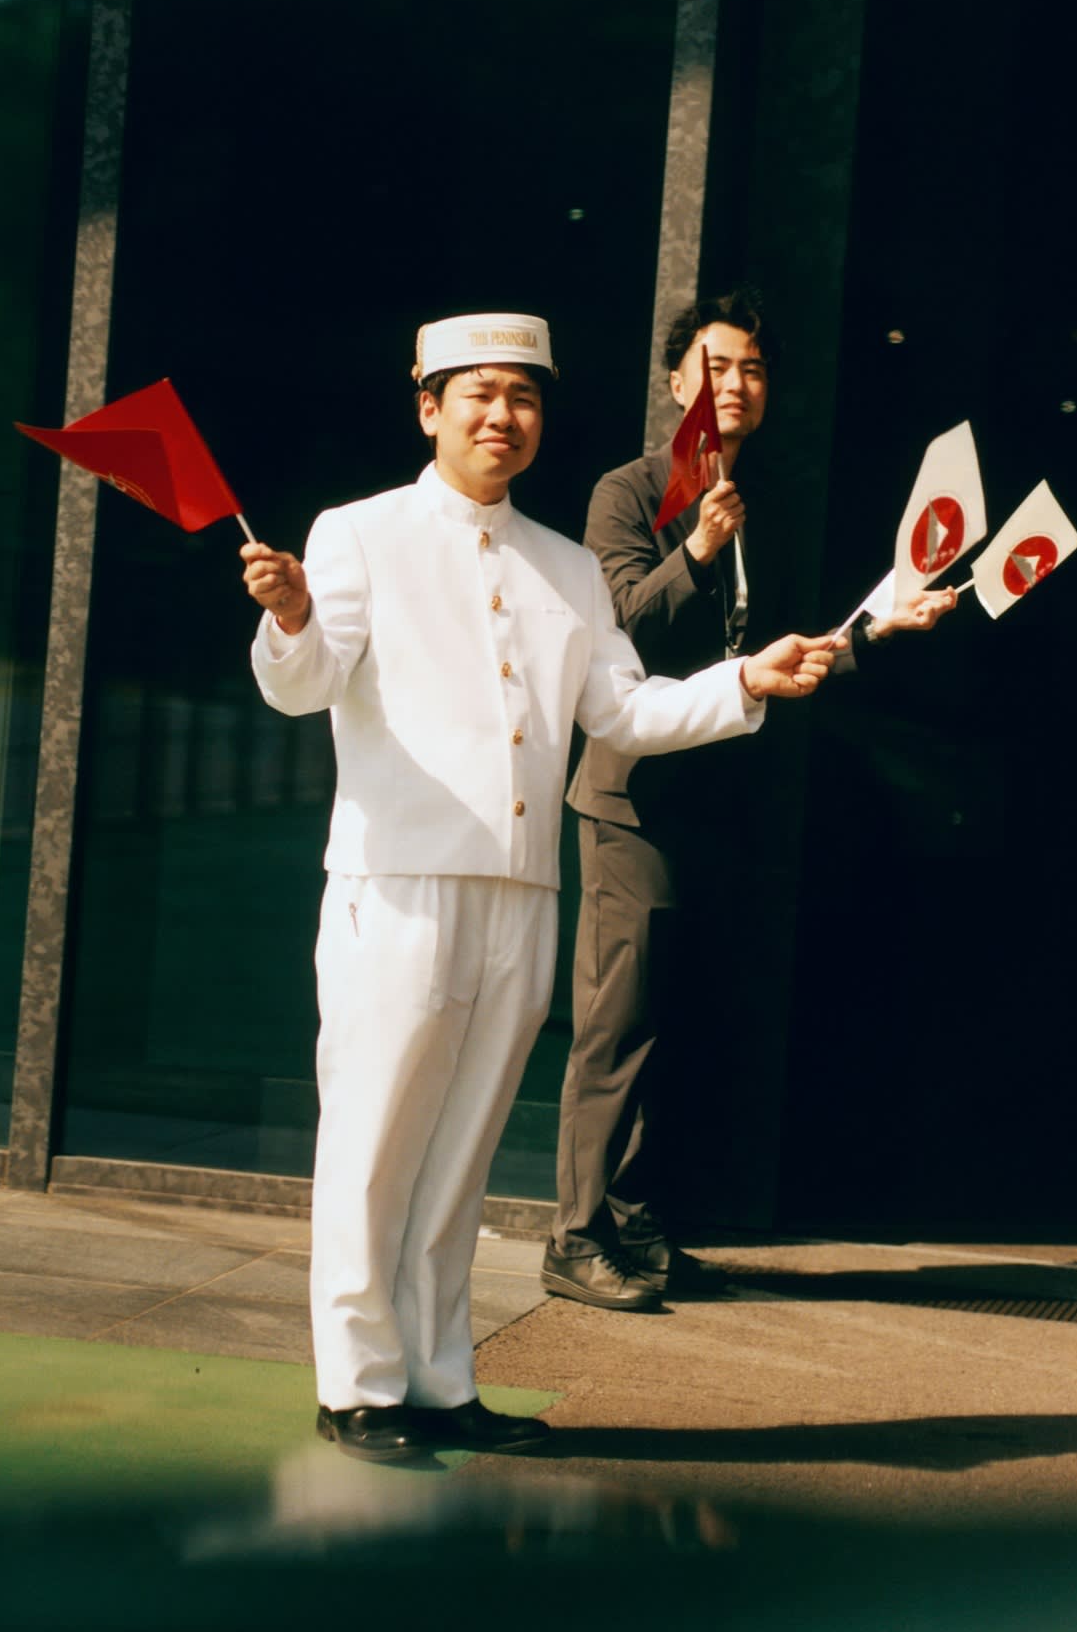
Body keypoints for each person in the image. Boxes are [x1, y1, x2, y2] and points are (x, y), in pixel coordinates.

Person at [241, 310, 841, 1463]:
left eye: (521, 397)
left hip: (519, 893)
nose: (500, 417)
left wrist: (743, 679)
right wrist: (291, 616)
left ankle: (440, 1376)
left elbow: (621, 712)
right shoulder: (356, 532)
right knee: (372, 1144)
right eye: (476, 394)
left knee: (463, 1152)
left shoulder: (566, 565)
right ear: (428, 406)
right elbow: (307, 684)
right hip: (398, 882)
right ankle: (359, 1384)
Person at [543, 286, 955, 1312]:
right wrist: (696, 550)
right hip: (634, 800)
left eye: (754, 371)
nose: (737, 385)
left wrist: (874, 634)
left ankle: (636, 1226)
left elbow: (772, 662)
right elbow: (623, 635)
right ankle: (575, 1234)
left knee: (679, 1023)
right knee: (617, 1024)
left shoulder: (756, 494)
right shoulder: (627, 492)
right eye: (718, 366)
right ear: (678, 381)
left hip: (721, 802)